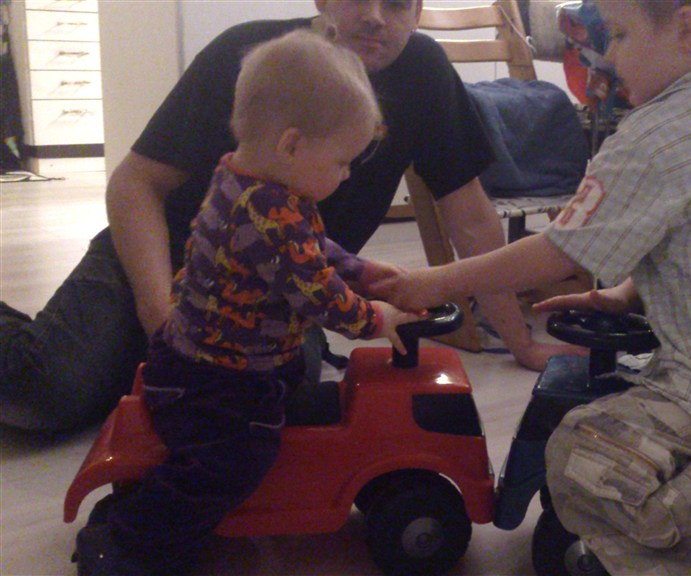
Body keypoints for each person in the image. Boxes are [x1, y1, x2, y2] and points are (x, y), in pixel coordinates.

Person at [372, 0, 691, 573]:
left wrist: (431, 283)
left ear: (686, 28)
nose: (609, 56)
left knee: (580, 452)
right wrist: (625, 294)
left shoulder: (661, 134)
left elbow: (556, 251)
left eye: (619, 34)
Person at [0, 0, 581, 433]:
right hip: (156, 258)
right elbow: (135, 184)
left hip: (276, 292)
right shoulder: (250, 56)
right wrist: (159, 317)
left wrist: (522, 343)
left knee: (276, 404)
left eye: (397, 2)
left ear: (419, 9)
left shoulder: (424, 72)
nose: (376, 16)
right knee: (46, 392)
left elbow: (471, 219)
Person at [72, 30, 421, 575]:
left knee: (298, 387)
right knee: (232, 460)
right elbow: (318, 294)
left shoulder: (249, 178)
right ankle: (125, 544)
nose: (348, 174)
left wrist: (361, 269)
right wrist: (378, 318)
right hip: (211, 376)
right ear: (291, 146)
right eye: (342, 162)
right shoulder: (267, 211)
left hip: (236, 356)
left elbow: (312, 247)